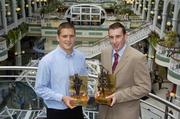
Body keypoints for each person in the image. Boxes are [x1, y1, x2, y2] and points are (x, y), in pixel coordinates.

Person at [98, 22, 151, 119]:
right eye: (111, 37)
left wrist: (118, 96)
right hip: (104, 112)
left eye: (118, 37)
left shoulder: (137, 58)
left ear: (125, 36)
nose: (114, 41)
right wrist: (98, 90)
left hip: (125, 113)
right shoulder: (105, 52)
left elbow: (145, 87)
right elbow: (103, 77)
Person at [35, 22, 87, 119]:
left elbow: (82, 81)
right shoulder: (47, 61)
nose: (68, 39)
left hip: (77, 108)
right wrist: (62, 98)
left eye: (71, 36)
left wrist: (83, 94)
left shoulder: (81, 57)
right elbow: (39, 89)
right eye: (64, 36)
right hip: (56, 111)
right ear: (58, 38)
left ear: (75, 37)